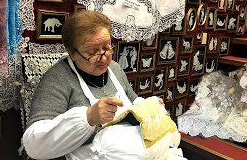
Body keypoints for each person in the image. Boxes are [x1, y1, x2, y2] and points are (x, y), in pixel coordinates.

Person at [22, 10, 184, 160]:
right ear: (72, 53)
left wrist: (148, 106)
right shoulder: (58, 79)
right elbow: (34, 144)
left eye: (107, 47)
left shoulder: (114, 68)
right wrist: (88, 117)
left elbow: (132, 99)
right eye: (92, 52)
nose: (103, 57)